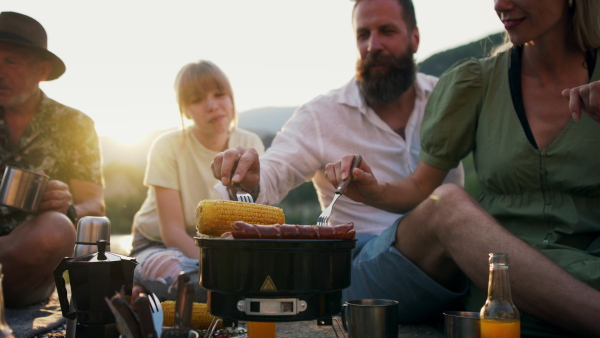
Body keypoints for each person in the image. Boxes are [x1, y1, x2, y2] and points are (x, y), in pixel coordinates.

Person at [325, 0, 600, 336]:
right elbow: (422, 187)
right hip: (498, 278)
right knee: (448, 202)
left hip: (589, 267)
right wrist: (375, 191)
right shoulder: (478, 81)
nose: (500, 4)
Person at [211, 0, 464, 322]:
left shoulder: (448, 99)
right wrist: (251, 178)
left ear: (414, 38)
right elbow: (274, 171)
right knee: (449, 206)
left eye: (387, 31)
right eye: (363, 34)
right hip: (359, 267)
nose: (372, 45)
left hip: (450, 260)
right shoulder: (321, 115)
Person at [130, 60, 264, 302]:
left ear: (232, 98)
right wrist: (219, 270)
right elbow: (171, 231)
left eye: (219, 94)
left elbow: (253, 218)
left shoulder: (250, 144)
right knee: (192, 284)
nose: (212, 105)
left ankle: (146, 290)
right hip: (159, 244)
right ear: (185, 111)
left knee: (266, 279)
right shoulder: (167, 146)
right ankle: (140, 277)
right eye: (197, 99)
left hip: (219, 248)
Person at [0, 12, 104, 307]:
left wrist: (67, 206)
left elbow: (95, 204)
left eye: (11, 61)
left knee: (56, 229)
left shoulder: (74, 124)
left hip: (29, 259)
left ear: (42, 70)